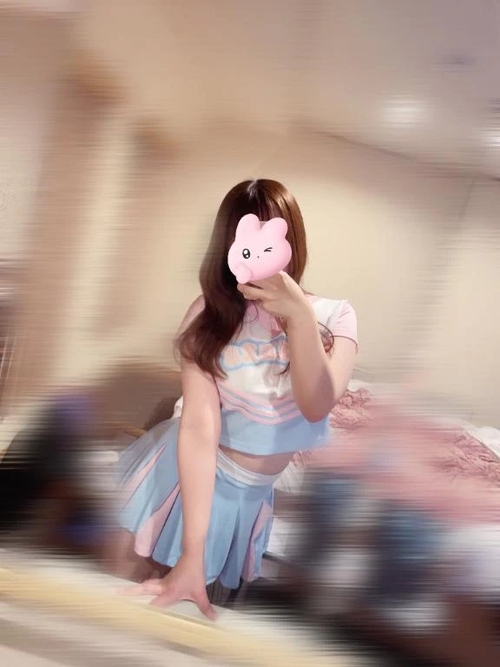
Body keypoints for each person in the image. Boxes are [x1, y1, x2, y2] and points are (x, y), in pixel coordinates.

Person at [113, 179, 358, 619]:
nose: (258, 254)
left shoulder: (334, 315)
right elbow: (199, 426)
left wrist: (299, 316)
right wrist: (191, 553)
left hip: (248, 495)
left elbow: (317, 405)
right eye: (245, 239)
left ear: (292, 240)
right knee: (121, 604)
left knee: (185, 624)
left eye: (271, 237)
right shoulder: (208, 312)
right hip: (180, 477)